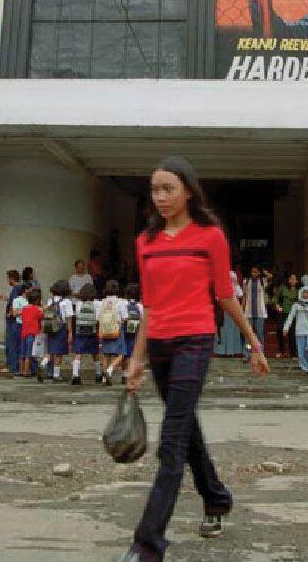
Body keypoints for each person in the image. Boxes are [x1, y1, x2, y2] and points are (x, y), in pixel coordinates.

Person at [118, 156, 269, 562]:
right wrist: (137, 359)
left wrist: (254, 343)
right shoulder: (146, 242)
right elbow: (149, 305)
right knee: (187, 432)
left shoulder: (210, 237)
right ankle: (216, 499)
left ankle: (147, 544)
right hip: (162, 346)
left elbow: (224, 294)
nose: (161, 197)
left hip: (195, 342)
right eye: (154, 189)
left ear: (188, 190)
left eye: (168, 188)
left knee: (171, 442)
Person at [39, 280, 73, 383]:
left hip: (50, 328)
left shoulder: (50, 301)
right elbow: (68, 317)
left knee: (50, 350)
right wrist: (70, 331)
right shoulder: (66, 302)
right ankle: (56, 375)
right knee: (59, 353)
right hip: (61, 328)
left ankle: (42, 364)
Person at [283, 286, 308, 374]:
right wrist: (286, 328)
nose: (306, 294)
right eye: (304, 292)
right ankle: (305, 368)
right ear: (301, 293)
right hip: (299, 332)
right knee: (300, 352)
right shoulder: (296, 305)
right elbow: (290, 317)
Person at [98, 280, 128, 385]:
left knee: (106, 354)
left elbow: (98, 317)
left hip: (104, 331)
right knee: (121, 354)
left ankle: (104, 378)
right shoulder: (121, 302)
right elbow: (125, 317)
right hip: (117, 330)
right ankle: (110, 370)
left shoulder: (101, 302)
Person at [0, 269, 23, 375]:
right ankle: (14, 365)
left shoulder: (16, 288)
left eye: (8, 279)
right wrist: (3, 297)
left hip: (13, 321)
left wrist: (10, 313)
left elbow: (13, 303)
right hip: (16, 321)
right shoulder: (19, 288)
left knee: (11, 344)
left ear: (11, 278)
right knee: (15, 344)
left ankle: (12, 366)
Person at [70, 282, 100, 386]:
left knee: (78, 353)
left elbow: (77, 316)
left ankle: (75, 375)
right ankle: (98, 374)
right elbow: (97, 318)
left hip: (80, 331)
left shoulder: (79, 304)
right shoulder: (96, 303)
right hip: (92, 331)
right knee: (95, 354)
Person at [241, 266, 269, 362]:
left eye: (256, 272)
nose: (254, 273)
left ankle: (260, 354)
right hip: (248, 312)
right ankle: (247, 353)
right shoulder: (246, 281)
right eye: (253, 272)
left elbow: (271, 277)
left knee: (260, 335)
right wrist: (242, 308)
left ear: (258, 273)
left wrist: (264, 272)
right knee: (248, 335)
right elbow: (244, 296)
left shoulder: (262, 281)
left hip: (260, 312)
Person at [271, 272, 299, 358]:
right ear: (289, 280)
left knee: (292, 333)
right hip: (282, 313)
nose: (293, 280)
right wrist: (277, 305)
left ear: (297, 281)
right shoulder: (283, 288)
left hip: (293, 314)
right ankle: (281, 351)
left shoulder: (299, 291)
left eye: (295, 279)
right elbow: (275, 297)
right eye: (291, 279)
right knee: (280, 330)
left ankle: (293, 353)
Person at [121, 283, 144, 377]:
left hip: (124, 332)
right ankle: (130, 373)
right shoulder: (140, 306)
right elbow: (142, 319)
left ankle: (124, 374)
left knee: (123, 353)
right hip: (135, 333)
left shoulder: (123, 304)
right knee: (132, 354)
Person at [19, 289, 43, 380]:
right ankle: (26, 371)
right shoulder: (36, 309)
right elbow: (41, 316)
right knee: (29, 354)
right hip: (32, 334)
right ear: (37, 300)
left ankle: (21, 370)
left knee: (23, 353)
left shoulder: (24, 309)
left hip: (24, 333)